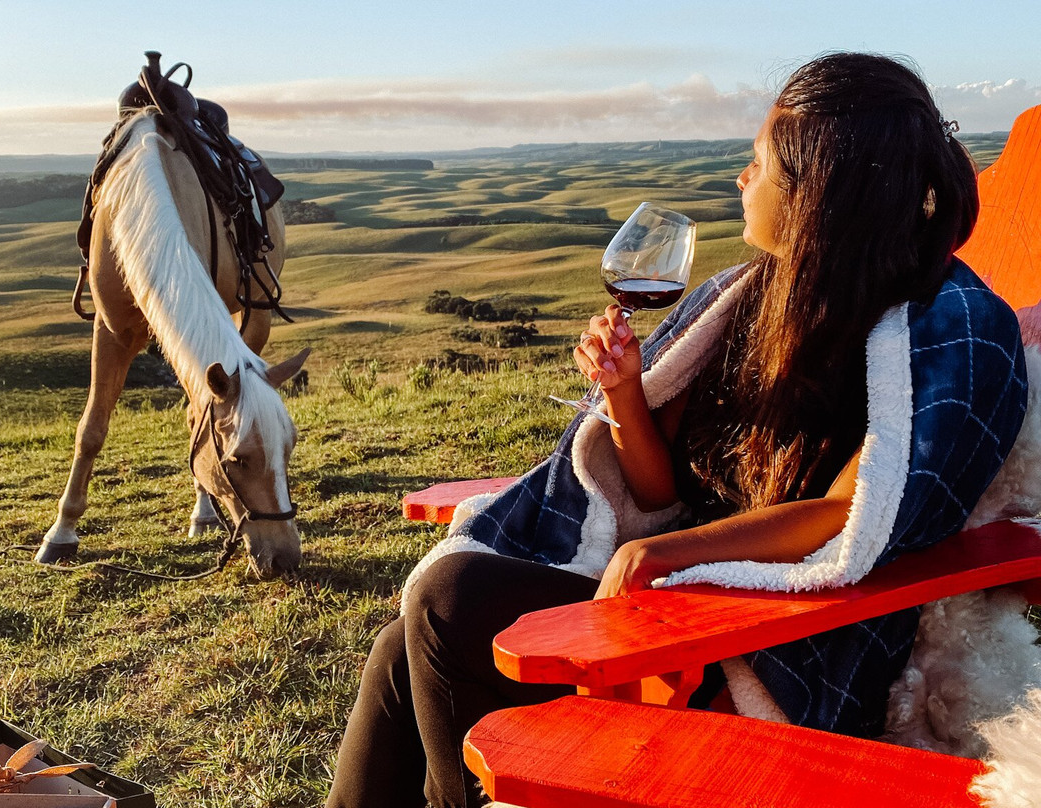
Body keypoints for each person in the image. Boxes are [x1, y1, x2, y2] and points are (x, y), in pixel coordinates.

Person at [325, 53, 1028, 808]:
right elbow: (661, 492)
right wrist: (627, 396)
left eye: (757, 164)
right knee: (407, 642)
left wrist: (669, 551)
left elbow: (848, 517)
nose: (740, 179)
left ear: (815, 191)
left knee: (451, 599)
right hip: (675, 598)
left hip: (770, 635)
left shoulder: (946, 328)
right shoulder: (754, 304)